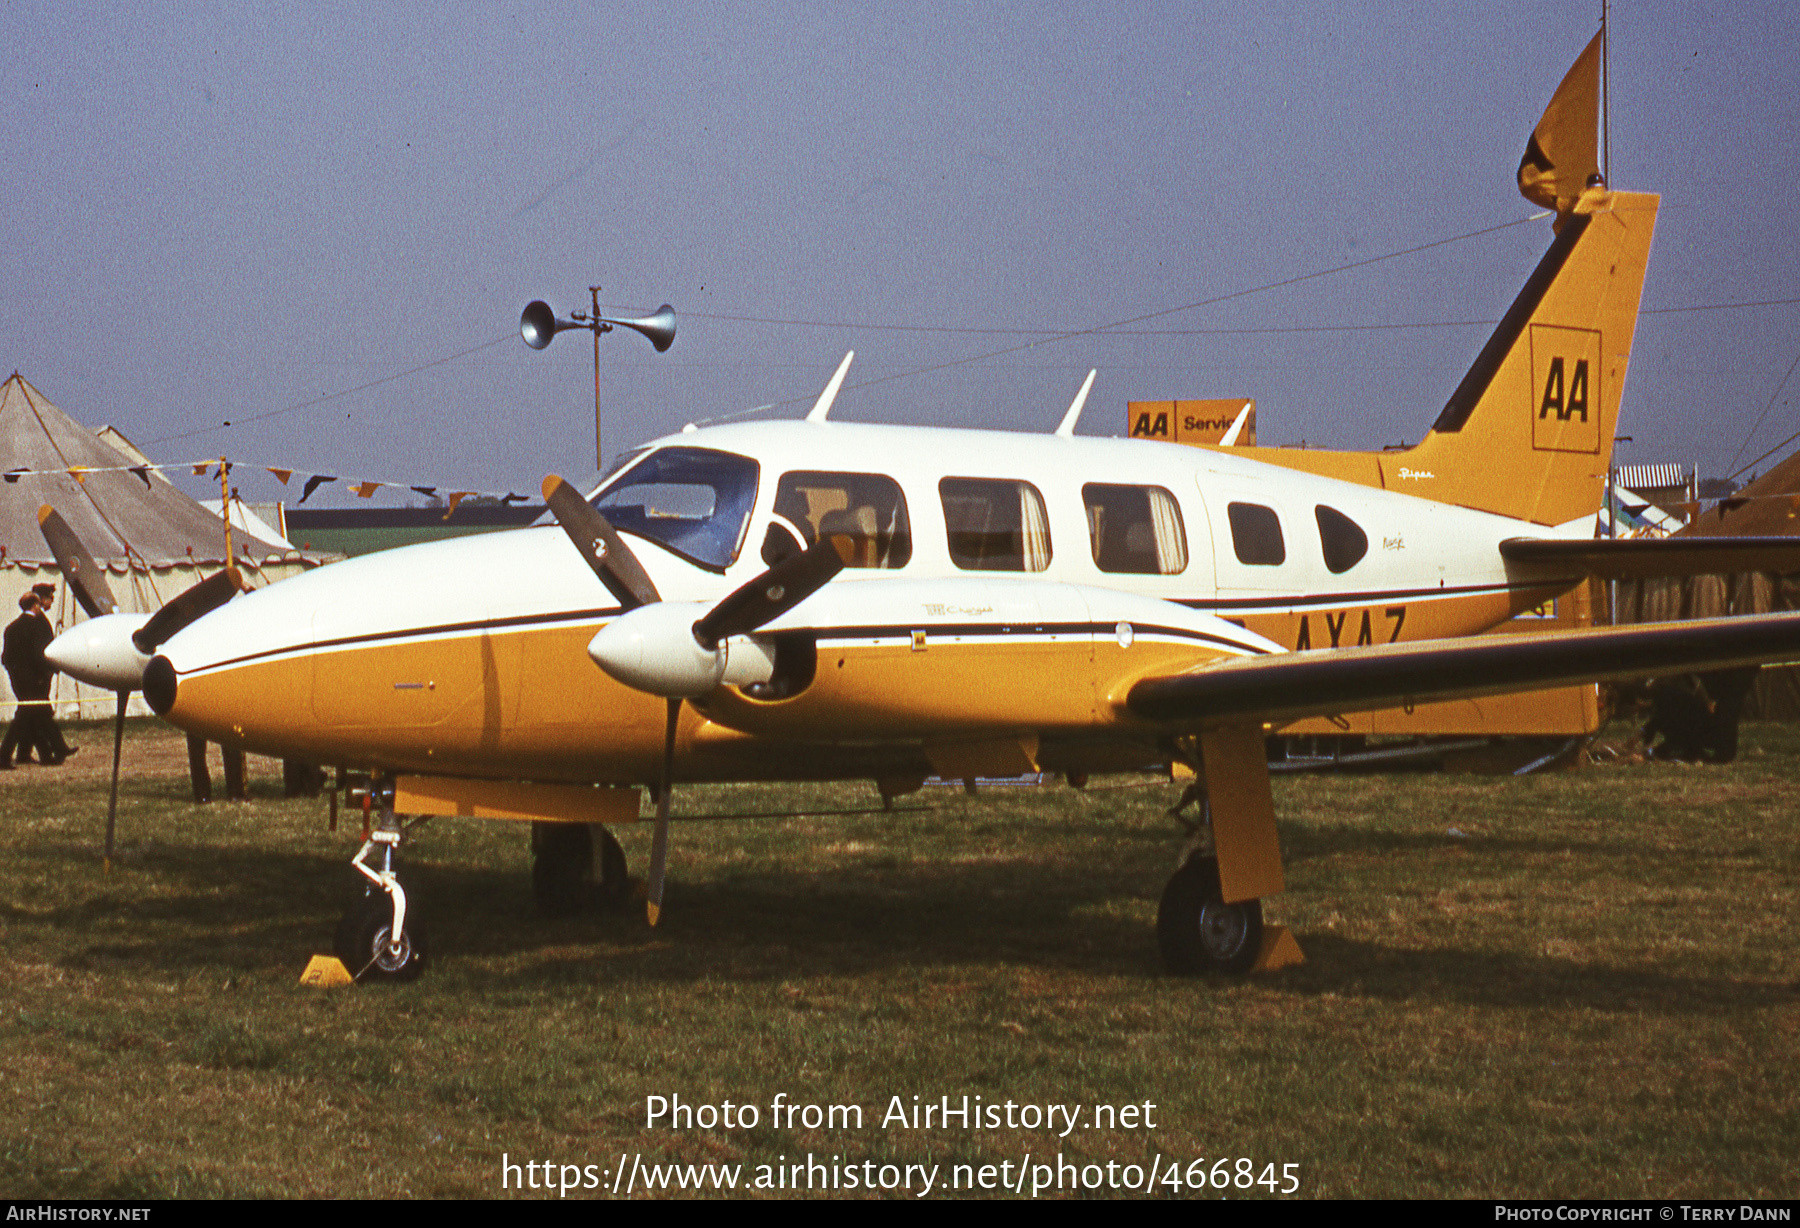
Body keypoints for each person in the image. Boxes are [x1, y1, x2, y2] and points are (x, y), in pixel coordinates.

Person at [2, 592, 54, 766]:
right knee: (25, 716)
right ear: (35, 605)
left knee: (31, 714)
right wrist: (44, 673)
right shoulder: (34, 627)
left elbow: (5, 657)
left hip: (18, 679)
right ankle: (3, 756)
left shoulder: (11, 627)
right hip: (34, 679)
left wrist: (14, 672)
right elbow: (37, 655)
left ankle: (43, 755)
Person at [28, 584, 76, 762]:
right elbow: (40, 650)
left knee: (29, 716)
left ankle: (26, 753)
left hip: (41, 674)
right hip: (40, 675)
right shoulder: (37, 621)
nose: (51, 601)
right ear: (41, 599)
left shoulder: (40, 620)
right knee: (41, 713)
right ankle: (57, 749)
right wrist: (49, 669)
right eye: (49, 597)